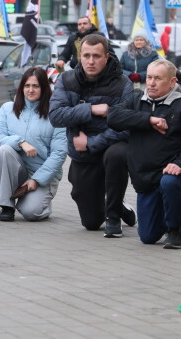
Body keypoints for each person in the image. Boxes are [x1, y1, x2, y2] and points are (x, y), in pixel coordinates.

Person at [107, 59, 181, 249]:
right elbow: (113, 116)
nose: (151, 83)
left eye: (158, 78)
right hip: (145, 177)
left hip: (172, 172)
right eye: (149, 77)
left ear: (172, 83)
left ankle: (177, 230)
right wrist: (149, 119)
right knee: (148, 237)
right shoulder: (136, 100)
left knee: (169, 182)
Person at [49, 33, 135, 238]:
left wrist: (92, 142)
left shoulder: (123, 84)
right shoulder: (66, 79)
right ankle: (117, 206)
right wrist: (92, 110)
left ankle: (114, 217)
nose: (90, 61)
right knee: (91, 223)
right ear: (79, 56)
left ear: (106, 57)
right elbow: (55, 116)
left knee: (116, 156)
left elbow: (126, 126)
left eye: (96, 56)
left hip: (111, 145)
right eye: (86, 55)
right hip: (82, 153)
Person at [0, 68, 67, 222]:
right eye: (27, 86)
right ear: (21, 88)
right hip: (15, 170)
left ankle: (40, 201)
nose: (30, 90)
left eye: (36, 86)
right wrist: (21, 142)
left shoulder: (56, 114)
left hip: (42, 173)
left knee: (31, 213)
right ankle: (7, 206)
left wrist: (37, 180)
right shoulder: (7, 109)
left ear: (44, 88)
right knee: (3, 150)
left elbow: (59, 154)